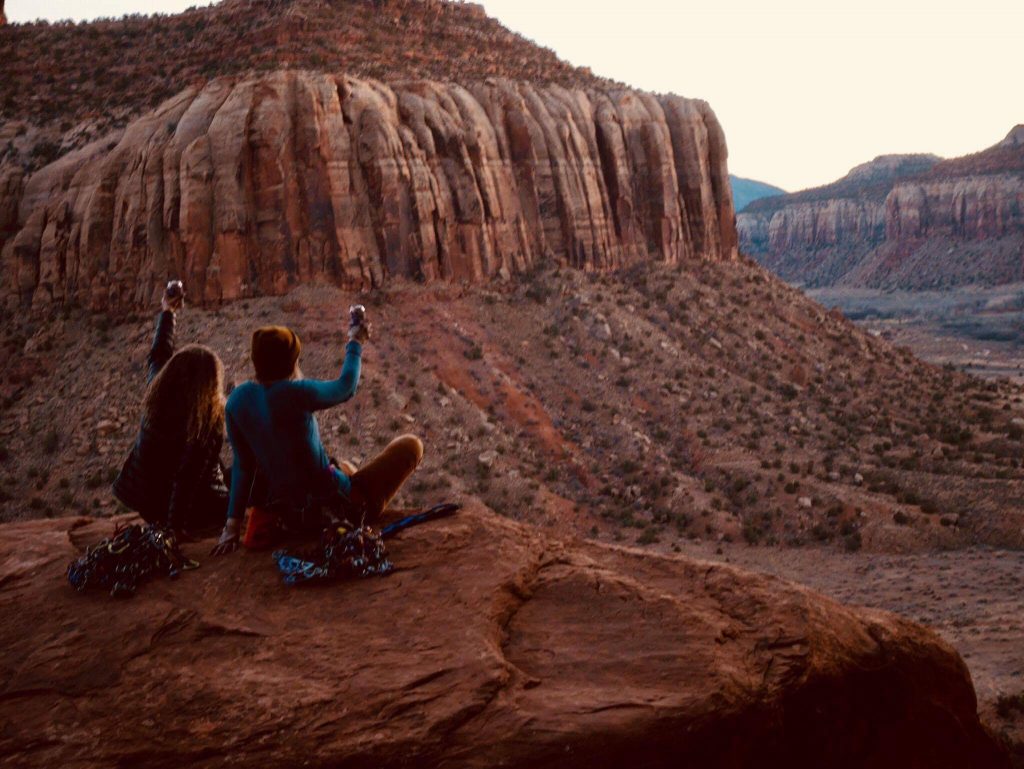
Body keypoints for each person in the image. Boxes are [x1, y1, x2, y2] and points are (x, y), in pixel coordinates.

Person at [212, 306, 424, 555]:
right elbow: (346, 387)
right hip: (335, 509)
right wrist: (356, 341)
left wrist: (232, 526)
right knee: (410, 445)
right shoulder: (297, 392)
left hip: (290, 517)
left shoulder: (237, 400)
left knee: (343, 465)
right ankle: (363, 506)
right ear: (292, 361)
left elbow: (243, 467)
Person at [112, 282, 229, 537]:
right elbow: (186, 480)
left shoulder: (159, 391)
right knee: (250, 476)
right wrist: (174, 531)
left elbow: (158, 354)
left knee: (225, 471)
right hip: (193, 510)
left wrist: (168, 311)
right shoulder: (206, 421)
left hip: (146, 503)